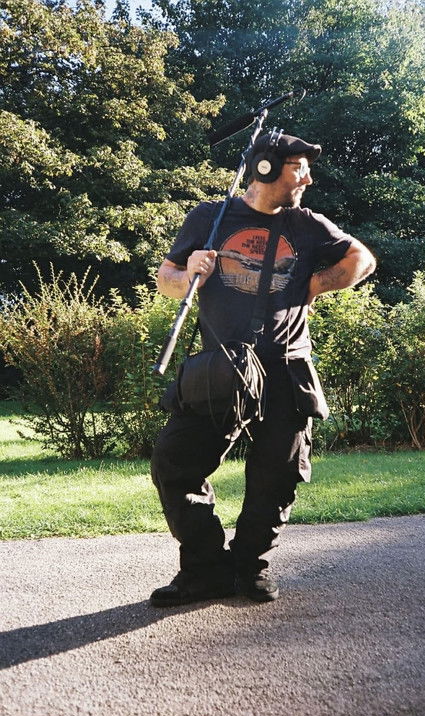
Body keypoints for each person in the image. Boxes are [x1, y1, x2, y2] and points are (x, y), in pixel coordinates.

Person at [150, 131, 376, 607]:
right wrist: (188, 273)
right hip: (222, 368)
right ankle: (205, 570)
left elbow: (363, 258)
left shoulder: (308, 225)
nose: (307, 178)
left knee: (276, 476)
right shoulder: (210, 218)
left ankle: (249, 566)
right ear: (266, 168)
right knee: (174, 463)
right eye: (299, 168)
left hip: (286, 368)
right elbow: (165, 280)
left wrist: (315, 284)